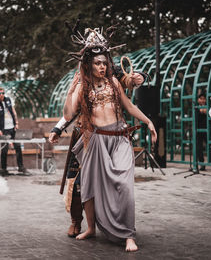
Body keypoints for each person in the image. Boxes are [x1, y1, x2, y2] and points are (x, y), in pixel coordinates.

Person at [62, 27, 157, 252]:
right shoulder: (82, 87)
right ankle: (91, 227)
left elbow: (129, 105)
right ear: (89, 65)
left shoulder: (114, 82)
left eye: (105, 63)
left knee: (124, 186)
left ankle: (128, 235)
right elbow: (67, 115)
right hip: (96, 141)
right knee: (88, 187)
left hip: (119, 139)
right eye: (97, 63)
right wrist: (70, 90)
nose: (102, 67)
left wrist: (148, 121)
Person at [49, 67, 147, 238]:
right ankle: (77, 221)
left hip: (112, 135)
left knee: (119, 181)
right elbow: (72, 109)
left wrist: (140, 78)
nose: (100, 64)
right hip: (86, 135)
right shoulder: (82, 78)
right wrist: (57, 128)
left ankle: (119, 225)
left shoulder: (112, 73)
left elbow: (128, 80)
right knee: (78, 181)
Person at [0, 87, 28, 176]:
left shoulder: (8, 100)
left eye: (3, 93)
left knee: (18, 147)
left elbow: (14, 112)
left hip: (12, 128)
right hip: (4, 129)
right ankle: (3, 169)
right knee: (4, 149)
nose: (2, 95)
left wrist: (16, 123)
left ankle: (21, 167)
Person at [195, 93, 207, 170]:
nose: (202, 100)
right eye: (201, 99)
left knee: (210, 146)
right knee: (199, 147)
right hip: (198, 129)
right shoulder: (196, 107)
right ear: (198, 100)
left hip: (206, 128)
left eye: (203, 99)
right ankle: (201, 163)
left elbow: (205, 112)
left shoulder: (208, 106)